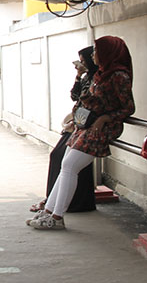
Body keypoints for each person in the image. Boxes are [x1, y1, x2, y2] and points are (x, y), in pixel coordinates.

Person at [28, 36, 135, 230]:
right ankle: (50, 211)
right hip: (85, 126)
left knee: (69, 166)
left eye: (96, 50)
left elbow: (128, 107)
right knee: (66, 166)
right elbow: (80, 96)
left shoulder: (119, 76)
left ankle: (57, 216)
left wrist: (106, 118)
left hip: (99, 129)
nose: (93, 54)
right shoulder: (101, 73)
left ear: (107, 53)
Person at [29, 46, 97, 215]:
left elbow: (91, 102)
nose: (81, 64)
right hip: (80, 122)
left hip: (86, 124)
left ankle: (59, 207)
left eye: (83, 61)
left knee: (66, 162)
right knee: (63, 160)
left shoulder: (99, 79)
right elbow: (75, 96)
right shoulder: (88, 77)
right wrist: (78, 76)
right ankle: (54, 203)